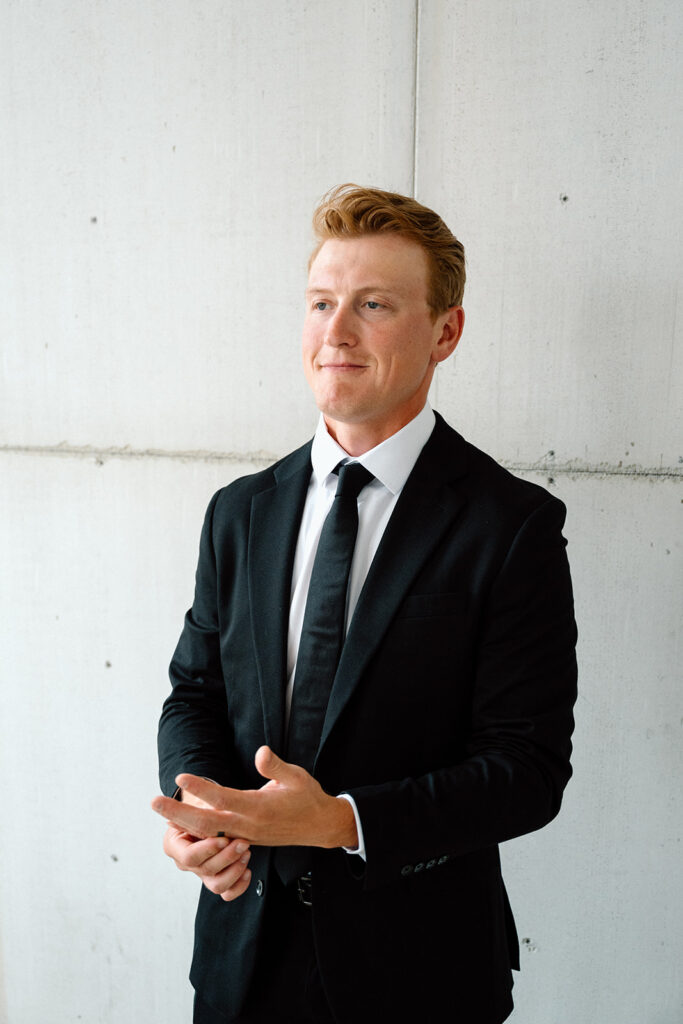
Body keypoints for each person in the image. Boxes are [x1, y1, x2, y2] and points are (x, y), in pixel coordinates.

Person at [152, 184, 578, 1024]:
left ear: (444, 331)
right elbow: (195, 694)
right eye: (320, 303)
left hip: (418, 973)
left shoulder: (511, 525)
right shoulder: (239, 511)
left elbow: (526, 772)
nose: (335, 332)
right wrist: (206, 815)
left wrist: (341, 822)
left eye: (373, 305)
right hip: (241, 963)